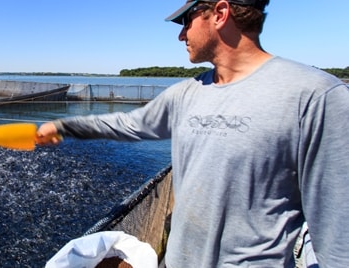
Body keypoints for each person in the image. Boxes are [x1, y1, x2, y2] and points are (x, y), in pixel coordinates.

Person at [36, 0, 349, 267]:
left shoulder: (315, 95)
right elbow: (130, 124)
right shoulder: (186, 92)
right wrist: (65, 126)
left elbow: (337, 228)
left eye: (186, 20)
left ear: (220, 13)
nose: (181, 34)